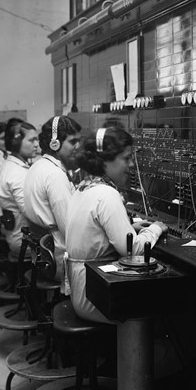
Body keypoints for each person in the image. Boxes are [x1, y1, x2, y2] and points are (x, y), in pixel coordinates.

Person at [65, 126, 168, 323]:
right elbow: (134, 250)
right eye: (126, 158)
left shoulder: (84, 187)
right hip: (95, 298)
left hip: (86, 289)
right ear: (105, 160)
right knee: (164, 307)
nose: (130, 165)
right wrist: (156, 228)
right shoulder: (106, 194)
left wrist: (130, 228)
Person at [23, 115, 82, 284]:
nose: (78, 147)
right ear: (55, 143)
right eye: (73, 142)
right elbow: (70, 231)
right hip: (59, 262)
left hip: (44, 259)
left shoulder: (38, 167)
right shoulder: (55, 176)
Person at [0, 120, 39, 258]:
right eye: (32, 140)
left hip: (18, 236)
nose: (37, 144)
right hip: (24, 243)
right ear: (16, 142)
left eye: (37, 140)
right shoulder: (17, 173)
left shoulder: (12, 165)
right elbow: (31, 213)